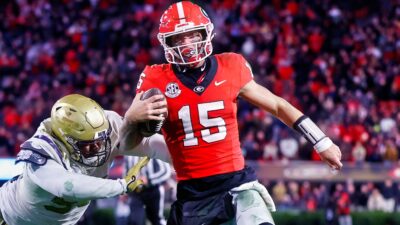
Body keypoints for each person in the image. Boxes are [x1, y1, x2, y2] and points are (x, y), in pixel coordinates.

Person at [122, 1, 343, 225]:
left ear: (205, 33)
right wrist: (131, 118)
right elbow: (128, 142)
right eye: (178, 38)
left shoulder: (231, 65)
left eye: (192, 34)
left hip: (236, 186)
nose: (186, 44)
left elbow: (278, 106)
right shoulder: (155, 78)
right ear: (167, 42)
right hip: (192, 194)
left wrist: (321, 141)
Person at [0, 93, 169, 225]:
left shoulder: (106, 125)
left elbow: (151, 145)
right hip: (9, 217)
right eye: (88, 143)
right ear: (66, 139)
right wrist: (121, 186)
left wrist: (189, 162)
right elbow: (68, 186)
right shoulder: (42, 149)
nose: (98, 147)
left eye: (100, 140)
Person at [125, 156, 172, 225]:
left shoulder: (154, 150)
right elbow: (126, 171)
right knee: (134, 220)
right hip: (136, 191)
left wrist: (149, 180)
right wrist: (125, 188)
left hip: (153, 190)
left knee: (156, 219)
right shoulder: (129, 155)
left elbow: (166, 171)